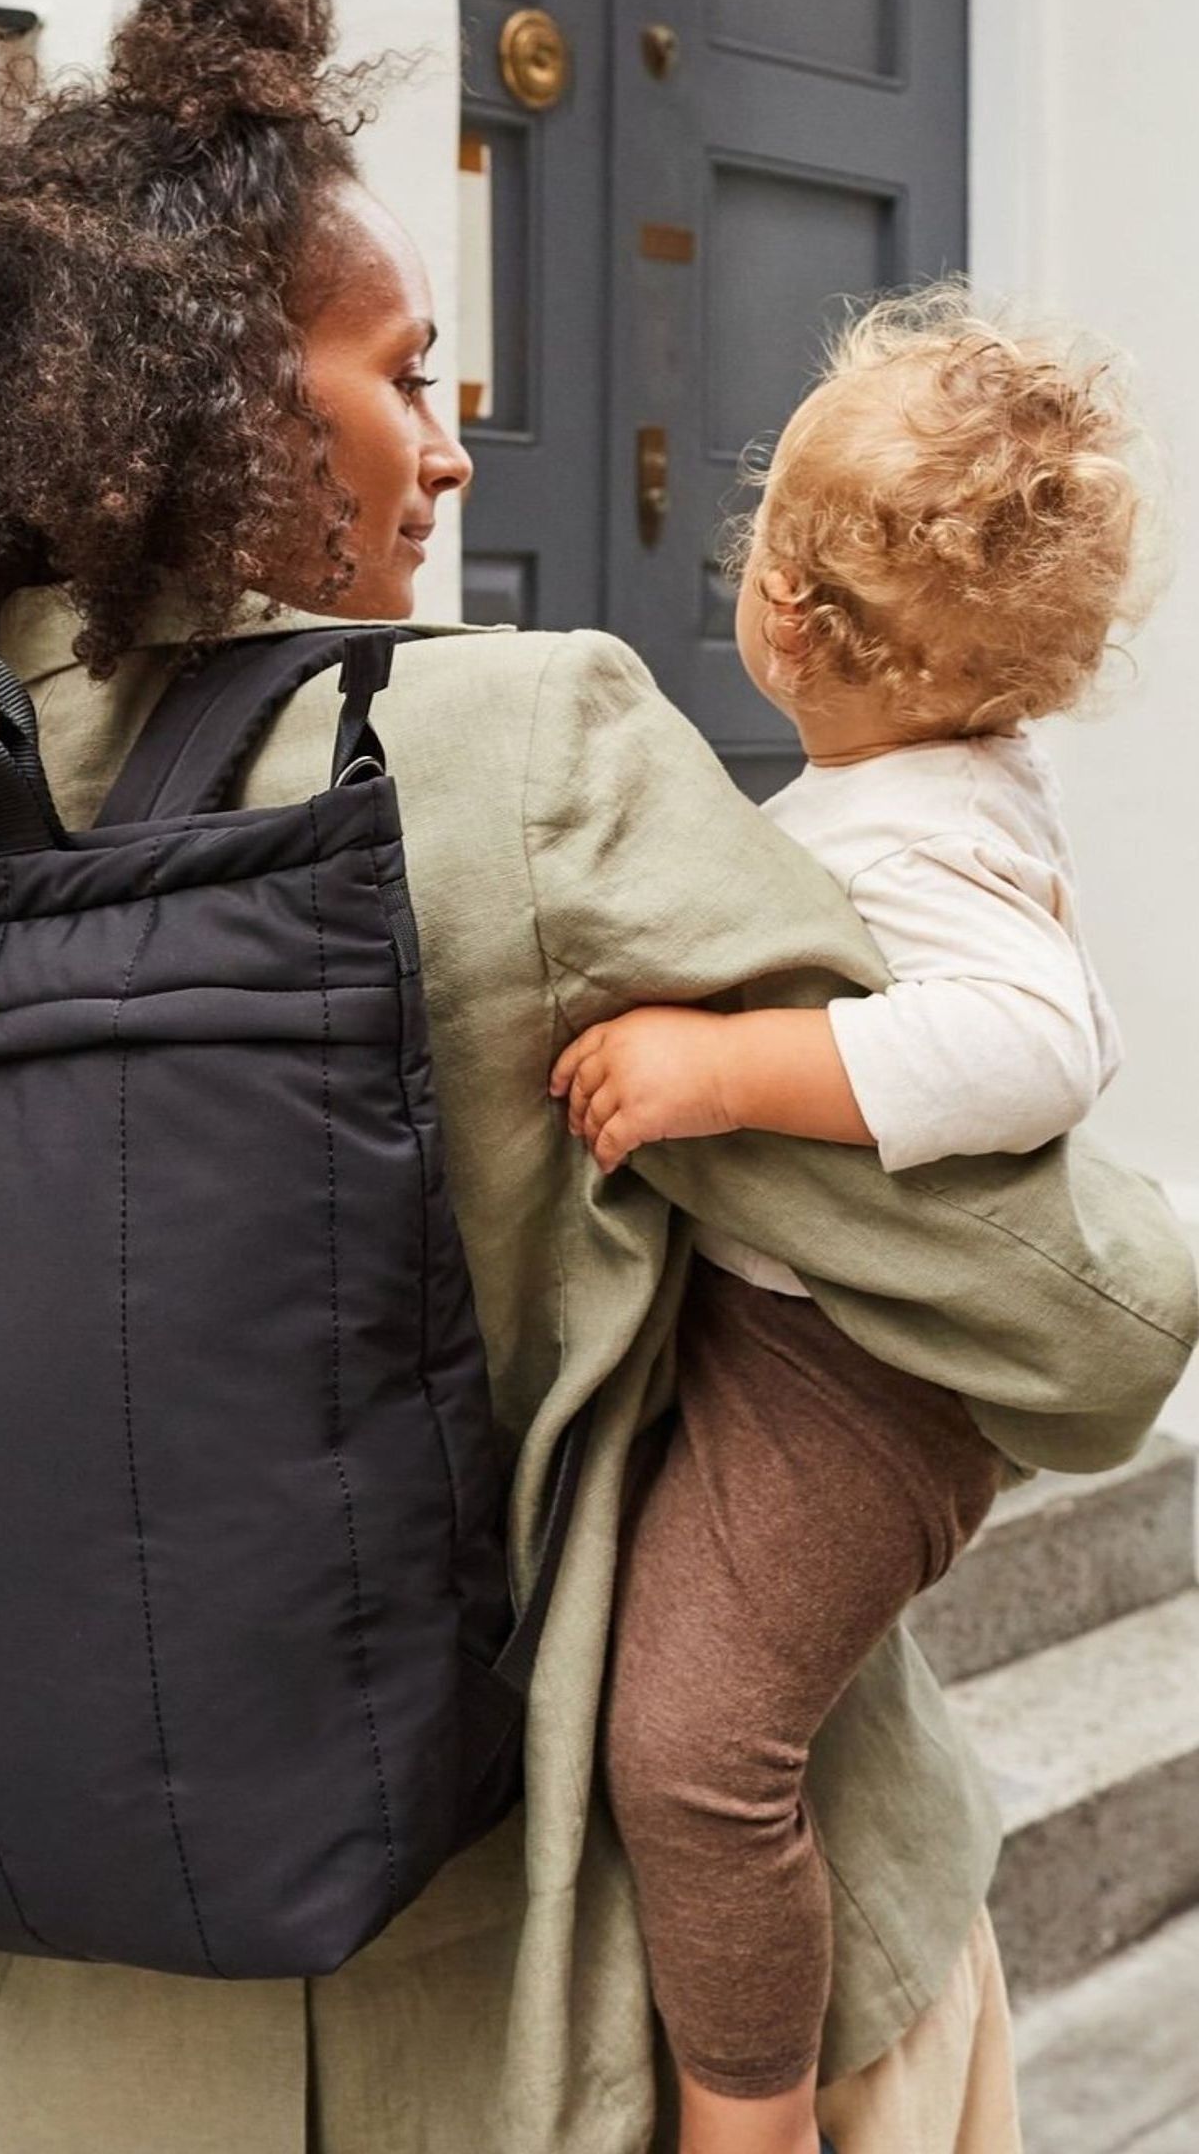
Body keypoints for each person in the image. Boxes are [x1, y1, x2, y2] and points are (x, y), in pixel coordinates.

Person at [0, 0, 1197, 2154]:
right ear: (223, 401)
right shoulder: (517, 763)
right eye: (406, 375)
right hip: (576, 2007)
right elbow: (1075, 1322)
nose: (451, 450)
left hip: (79, 2036)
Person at [549, 288, 1160, 2149]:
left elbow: (1045, 1040)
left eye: (768, 550)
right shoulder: (918, 783)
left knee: (694, 1750)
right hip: (808, 1346)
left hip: (854, 1385)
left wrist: (726, 1075)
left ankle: (753, 2113)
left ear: (793, 620)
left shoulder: (920, 832)